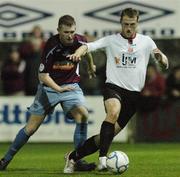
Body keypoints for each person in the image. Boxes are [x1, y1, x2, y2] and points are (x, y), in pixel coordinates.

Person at [63, 8, 169, 173]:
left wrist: (161, 59)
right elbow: (88, 46)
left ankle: (73, 157)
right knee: (113, 112)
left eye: (132, 24)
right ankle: (103, 161)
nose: (128, 27)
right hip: (114, 88)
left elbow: (163, 60)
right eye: (125, 24)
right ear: (121, 22)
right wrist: (78, 52)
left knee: (104, 137)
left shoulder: (146, 41)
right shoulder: (111, 40)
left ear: (137, 23)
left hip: (133, 97)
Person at [0, 15, 96, 171]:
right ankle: (5, 160)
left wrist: (91, 65)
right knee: (31, 128)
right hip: (49, 88)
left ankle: (77, 160)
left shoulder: (80, 40)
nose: (70, 35)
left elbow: (87, 49)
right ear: (58, 30)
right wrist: (59, 89)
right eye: (66, 32)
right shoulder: (51, 45)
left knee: (83, 115)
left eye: (72, 31)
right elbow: (42, 76)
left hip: (70, 86)